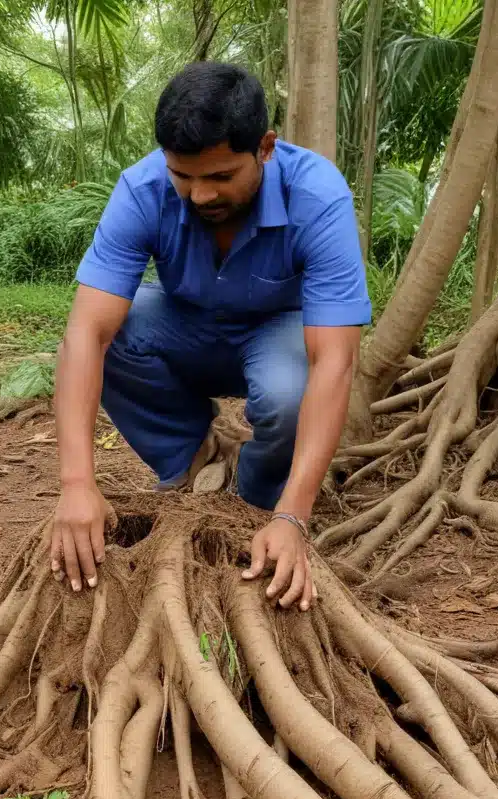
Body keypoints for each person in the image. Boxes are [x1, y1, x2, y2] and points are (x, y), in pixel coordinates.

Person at [51, 63, 371, 610]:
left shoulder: (318, 196)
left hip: (280, 335)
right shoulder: (143, 189)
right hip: (186, 325)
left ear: (265, 148)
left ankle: (256, 504)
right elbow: (85, 334)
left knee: (289, 392)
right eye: (184, 176)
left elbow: (333, 361)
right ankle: (195, 457)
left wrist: (294, 514)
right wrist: (76, 483)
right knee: (113, 331)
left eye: (220, 177)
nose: (199, 195)